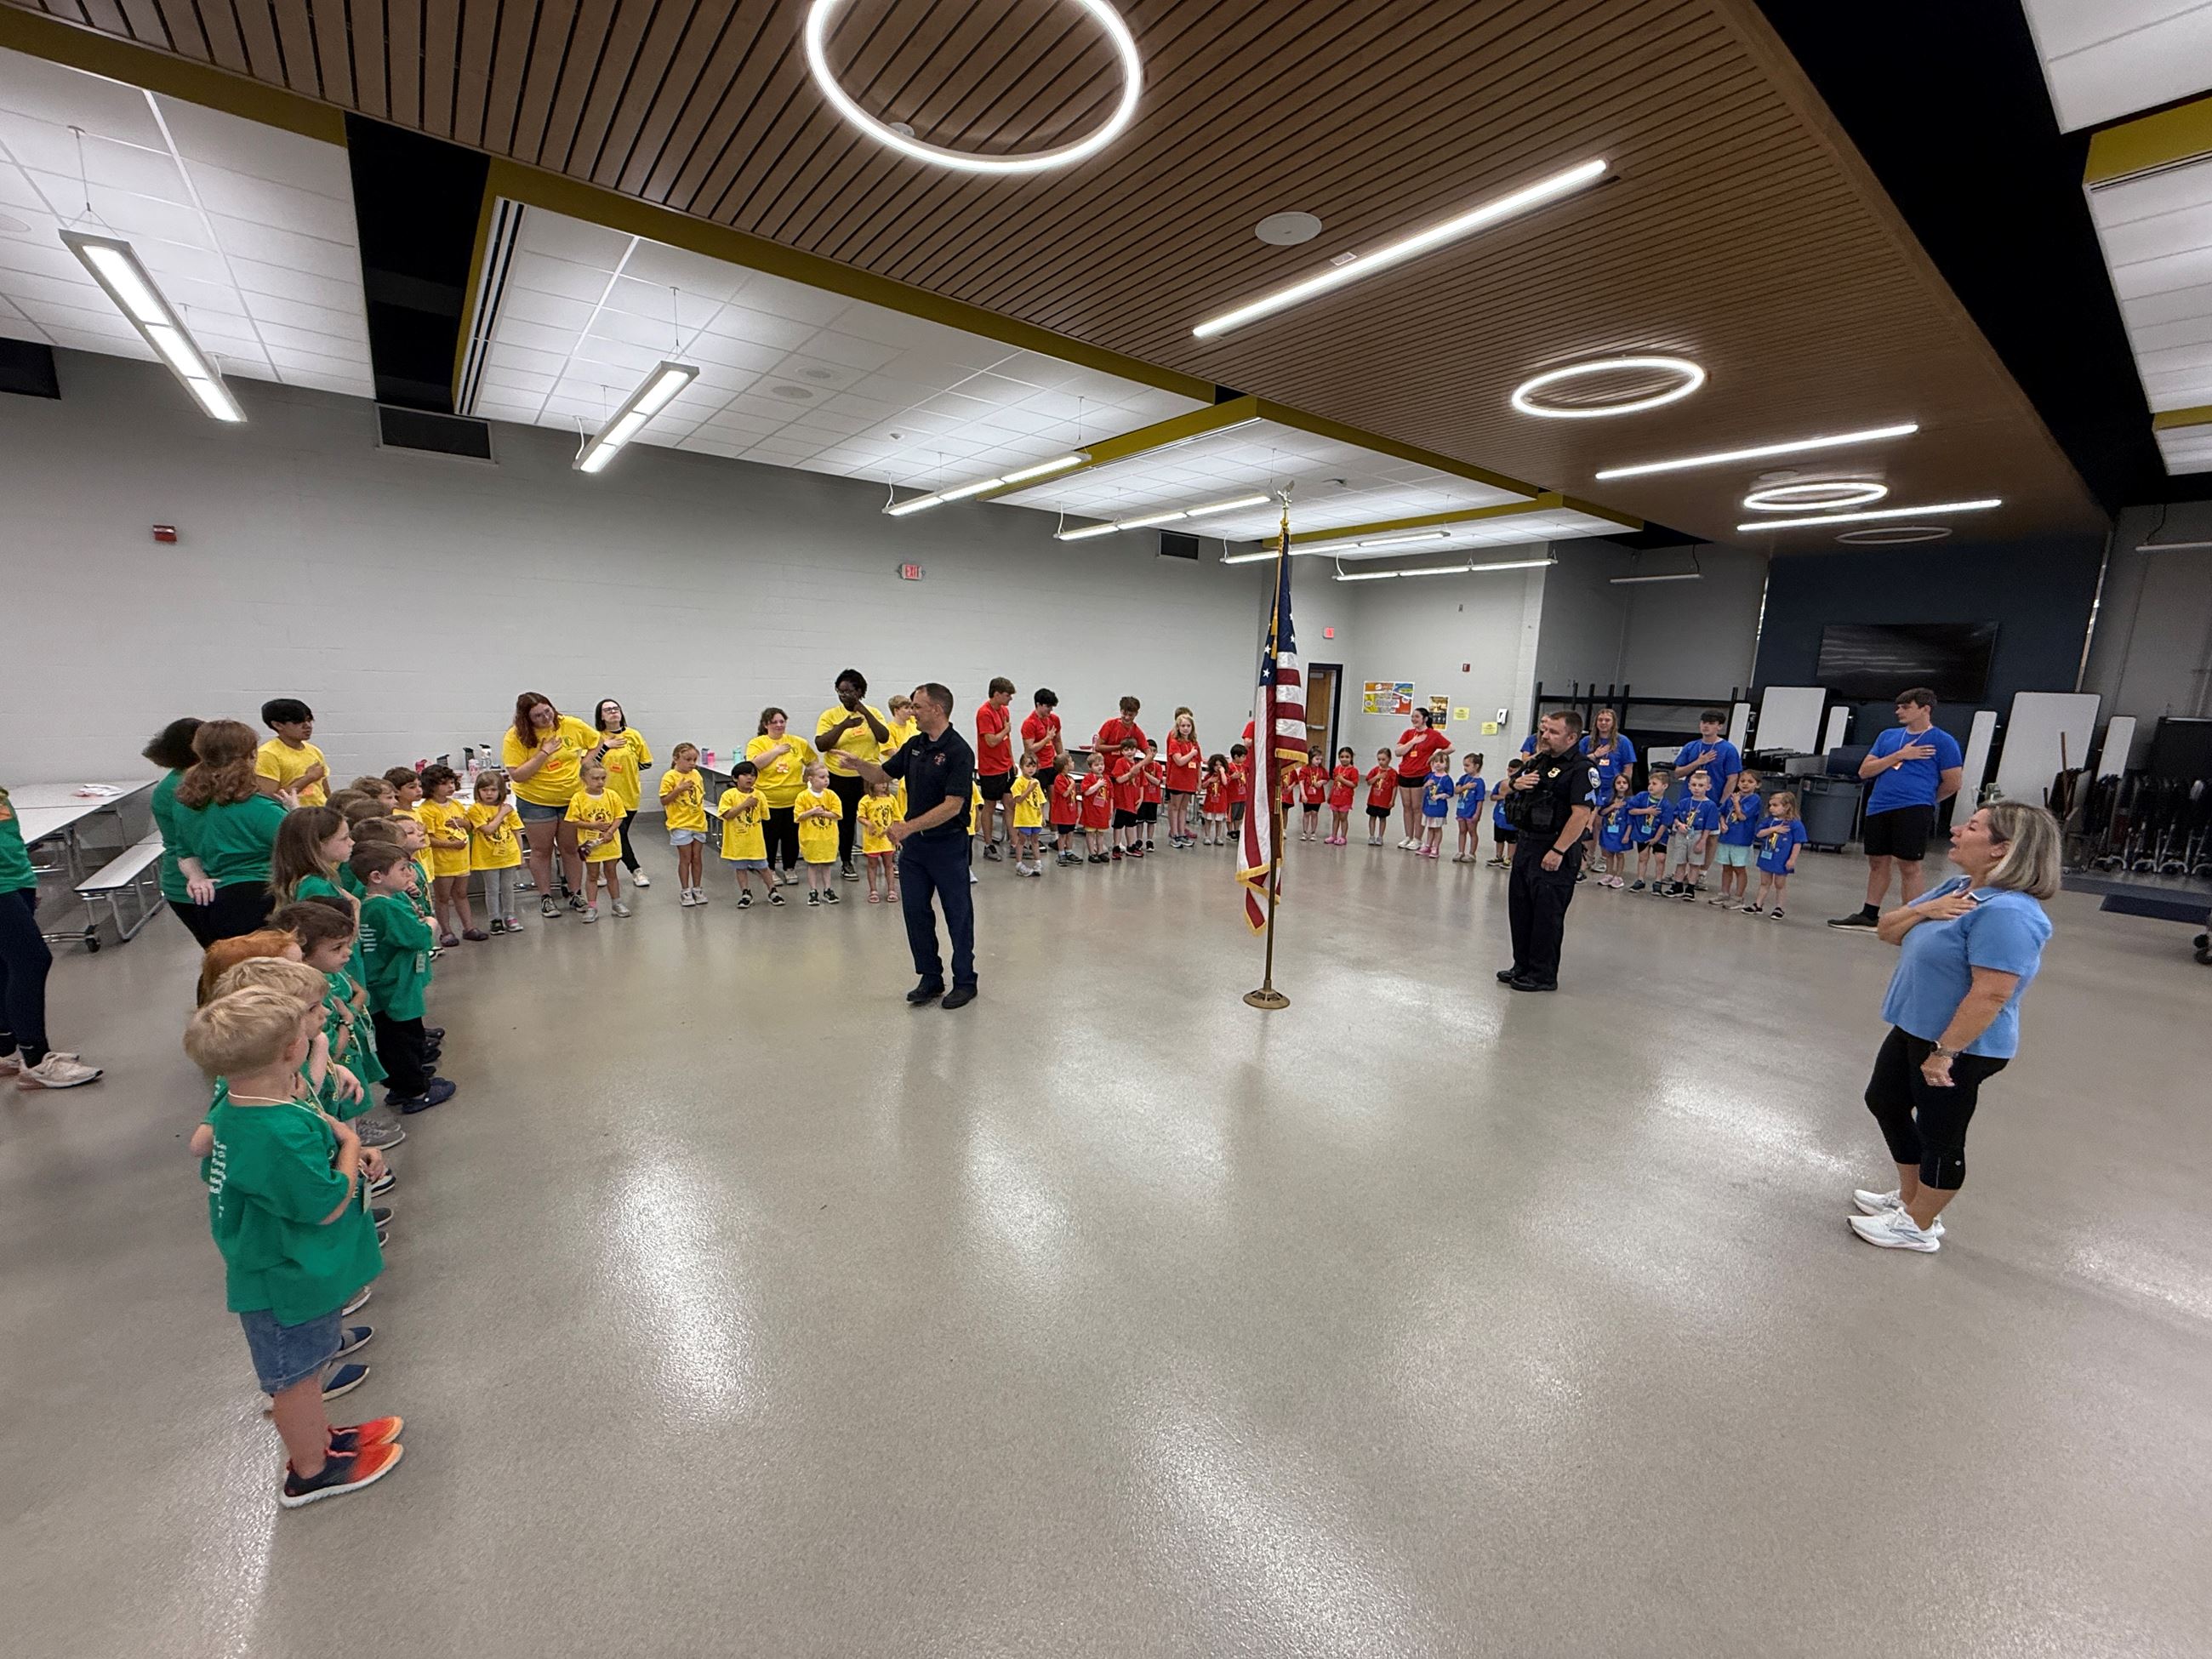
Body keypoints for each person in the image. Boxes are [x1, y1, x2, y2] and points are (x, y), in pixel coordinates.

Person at [183, 983, 403, 1507]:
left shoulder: (245, 1107)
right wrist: (351, 1146)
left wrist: (341, 1146)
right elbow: (325, 1203)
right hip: (281, 1276)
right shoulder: (273, 1128)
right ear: (291, 1049)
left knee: (310, 1364)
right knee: (297, 1380)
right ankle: (310, 1470)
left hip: (286, 1266)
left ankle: (322, 1440)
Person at [1850, 801, 2060, 1251]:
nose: (1958, 830)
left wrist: (1945, 1053)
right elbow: (1887, 928)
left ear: (2002, 850)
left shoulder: (2009, 913)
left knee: (1940, 1133)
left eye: (1973, 827)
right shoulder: (1958, 889)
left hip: (1959, 1046)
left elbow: (1992, 993)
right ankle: (1910, 1199)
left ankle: (1921, 1225)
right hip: (1914, 1025)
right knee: (1884, 1101)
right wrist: (1929, 909)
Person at [834, 684, 978, 1007]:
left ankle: (965, 980)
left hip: (948, 845)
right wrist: (859, 765)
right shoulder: (915, 746)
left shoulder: (959, 751)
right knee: (915, 912)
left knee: (958, 914)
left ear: (936, 710)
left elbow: (954, 805)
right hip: (915, 850)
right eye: (911, 707)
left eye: (917, 706)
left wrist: (908, 827)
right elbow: (882, 773)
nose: (912, 711)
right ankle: (930, 977)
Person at [1831, 687, 1968, 931]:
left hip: (1914, 807)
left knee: (1909, 864)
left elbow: (1953, 782)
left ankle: (1913, 916)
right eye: (1899, 707)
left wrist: (1926, 800)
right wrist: (1900, 755)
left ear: (1925, 709)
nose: (1899, 712)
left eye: (1906, 707)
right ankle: (1869, 913)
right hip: (1880, 805)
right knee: (1877, 861)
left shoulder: (1943, 741)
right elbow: (1865, 771)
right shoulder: (1888, 737)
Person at [0, 784, 99, 1090]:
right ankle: (37, 1061)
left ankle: (4, 1050)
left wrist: (25, 881)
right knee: (32, 961)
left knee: (6, 963)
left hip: (14, 878)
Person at [1497, 712, 1599, 993]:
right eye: (1545, 731)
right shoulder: (1538, 762)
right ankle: (1522, 965)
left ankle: (1542, 974)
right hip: (1527, 844)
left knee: (1546, 915)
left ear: (1571, 737)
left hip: (1555, 846)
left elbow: (1580, 815)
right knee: (1521, 909)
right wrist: (1517, 784)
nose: (1545, 736)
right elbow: (1504, 786)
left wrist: (1558, 850)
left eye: (1554, 732)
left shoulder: (1581, 769)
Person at [351, 843, 452, 1113]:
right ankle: (416, 1090)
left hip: (380, 983)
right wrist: (430, 924)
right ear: (377, 877)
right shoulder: (386, 908)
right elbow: (417, 937)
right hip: (396, 984)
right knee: (405, 1039)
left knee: (390, 1039)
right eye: (403, 869)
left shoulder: (369, 904)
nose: (410, 873)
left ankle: (402, 1084)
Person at [177, 719, 294, 942]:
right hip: (263, 897)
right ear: (251, 756)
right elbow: (301, 846)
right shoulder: (260, 808)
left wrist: (196, 876)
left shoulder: (187, 805)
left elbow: (183, 851)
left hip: (213, 898)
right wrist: (295, 812)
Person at [499, 693, 602, 920]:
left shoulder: (570, 724)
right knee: (541, 850)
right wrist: (544, 753)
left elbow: (597, 742)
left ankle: (575, 893)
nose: (546, 718)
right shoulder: (515, 737)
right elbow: (517, 775)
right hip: (536, 800)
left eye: (548, 711)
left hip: (571, 799)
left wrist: (585, 764)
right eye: (538, 716)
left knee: (571, 848)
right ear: (526, 719)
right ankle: (546, 897)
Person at [145, 717, 220, 945]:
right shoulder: (179, 787)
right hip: (191, 882)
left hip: (201, 878)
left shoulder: (196, 780)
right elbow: (195, 839)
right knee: (221, 956)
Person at [816, 670, 890, 881]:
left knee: (877, 815)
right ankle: (847, 861)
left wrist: (865, 713)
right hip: (841, 776)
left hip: (869, 775)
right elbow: (822, 744)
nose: (843, 695)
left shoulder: (873, 712)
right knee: (846, 820)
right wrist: (843, 725)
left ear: (859, 691)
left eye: (848, 691)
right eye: (840, 691)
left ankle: (883, 856)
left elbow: (884, 737)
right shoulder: (830, 715)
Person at [744, 709, 817, 883]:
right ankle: (769, 869)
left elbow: (813, 761)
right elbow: (754, 765)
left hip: (794, 800)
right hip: (769, 801)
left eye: (782, 721)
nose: (779, 725)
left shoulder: (797, 742)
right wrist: (776, 752)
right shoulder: (757, 743)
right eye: (774, 722)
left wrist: (809, 774)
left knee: (791, 837)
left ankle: (789, 868)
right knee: (770, 837)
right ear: (765, 725)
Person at [417, 766, 482, 945]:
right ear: (432, 786)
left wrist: (464, 823)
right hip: (443, 861)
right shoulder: (426, 810)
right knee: (443, 896)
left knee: (461, 894)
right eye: (444, 784)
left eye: (452, 782)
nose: (450, 787)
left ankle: (469, 927)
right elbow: (429, 838)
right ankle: (446, 931)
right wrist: (450, 845)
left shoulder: (456, 804)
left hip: (461, 859)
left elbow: (468, 825)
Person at [593, 698, 654, 889]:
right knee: (618, 833)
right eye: (607, 710)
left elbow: (646, 762)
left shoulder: (633, 735)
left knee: (618, 834)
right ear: (601, 716)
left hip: (629, 794)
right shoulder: (597, 737)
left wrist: (627, 767)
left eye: (615, 708)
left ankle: (603, 869)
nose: (613, 712)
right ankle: (636, 870)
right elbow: (588, 764)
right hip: (605, 796)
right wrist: (606, 747)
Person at [565, 761, 627, 921]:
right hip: (590, 845)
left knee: (611, 872)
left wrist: (610, 832)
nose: (600, 782)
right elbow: (572, 820)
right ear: (584, 778)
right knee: (592, 875)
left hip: (610, 843)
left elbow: (619, 816)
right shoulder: (578, 798)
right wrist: (592, 825)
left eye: (603, 778)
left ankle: (617, 903)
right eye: (595, 778)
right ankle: (592, 906)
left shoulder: (612, 795)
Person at [466, 771, 524, 932]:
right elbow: (488, 829)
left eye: (493, 790)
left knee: (508, 887)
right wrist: (502, 813)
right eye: (484, 790)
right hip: (488, 857)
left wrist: (520, 854)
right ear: (478, 791)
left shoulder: (507, 808)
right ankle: (494, 918)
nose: (489, 794)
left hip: (509, 855)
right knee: (492, 889)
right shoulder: (475, 810)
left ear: (500, 791)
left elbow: (516, 831)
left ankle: (510, 915)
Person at [715, 761, 776, 908]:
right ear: (735, 778)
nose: (750, 778)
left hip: (755, 840)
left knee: (763, 866)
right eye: (745, 775)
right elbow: (727, 815)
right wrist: (744, 805)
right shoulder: (729, 795)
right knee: (740, 867)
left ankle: (772, 890)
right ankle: (746, 892)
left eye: (753, 775)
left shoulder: (759, 795)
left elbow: (764, 816)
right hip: (737, 841)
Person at [658, 744, 710, 908]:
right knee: (685, 858)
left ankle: (697, 888)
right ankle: (685, 890)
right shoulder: (670, 777)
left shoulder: (696, 774)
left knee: (697, 858)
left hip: (698, 822)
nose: (692, 763)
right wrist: (678, 790)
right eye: (687, 760)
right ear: (676, 759)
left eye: (694, 760)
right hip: (680, 824)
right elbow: (664, 800)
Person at [1393, 710, 1451, 847]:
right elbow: (1398, 752)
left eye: (1417, 717)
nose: (1414, 719)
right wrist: (1413, 741)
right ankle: (1408, 836)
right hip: (1404, 773)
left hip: (1420, 775)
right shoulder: (1408, 734)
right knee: (1406, 807)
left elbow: (1450, 747)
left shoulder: (1433, 735)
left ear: (1425, 719)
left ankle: (1418, 839)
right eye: (1413, 717)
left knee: (1417, 807)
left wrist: (1435, 756)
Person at [255, 698, 329, 807]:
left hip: (320, 813)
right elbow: (271, 799)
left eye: (309, 720)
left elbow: (324, 788)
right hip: (293, 818)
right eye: (298, 722)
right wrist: (308, 778)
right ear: (277, 725)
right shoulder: (268, 754)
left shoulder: (314, 751)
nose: (307, 726)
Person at [974, 676, 1018, 860]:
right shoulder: (984, 713)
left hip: (1006, 766)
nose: (1010, 699)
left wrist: (1012, 760)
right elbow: (991, 741)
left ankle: (1015, 842)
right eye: (1007, 695)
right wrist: (1005, 731)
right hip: (991, 768)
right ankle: (989, 844)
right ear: (997, 694)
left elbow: (1007, 741)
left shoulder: (1004, 711)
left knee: (1010, 803)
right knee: (990, 806)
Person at [1747, 791, 1809, 918]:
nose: (1771, 808)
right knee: (1764, 882)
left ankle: (1779, 907)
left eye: (1775, 805)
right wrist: (1773, 829)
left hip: (1782, 859)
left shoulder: (1795, 824)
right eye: (1770, 805)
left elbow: (1798, 843)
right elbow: (1759, 834)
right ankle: (1758, 904)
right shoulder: (1769, 821)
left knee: (1780, 884)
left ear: (1786, 807)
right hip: (1767, 855)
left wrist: (1792, 859)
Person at [1708, 768, 1763, 909]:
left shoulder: (1754, 799)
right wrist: (1722, 823)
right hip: (1727, 838)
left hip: (1741, 840)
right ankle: (1724, 892)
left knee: (1739, 868)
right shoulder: (1732, 797)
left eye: (1750, 782)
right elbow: (1722, 813)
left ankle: (1738, 897)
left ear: (1757, 785)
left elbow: (1742, 816)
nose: (1745, 784)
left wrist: (1737, 803)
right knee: (1726, 867)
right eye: (1742, 781)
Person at [1661, 771, 1719, 900]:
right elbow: (1675, 816)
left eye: (1700, 785)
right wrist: (1679, 824)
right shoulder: (1684, 802)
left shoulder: (1710, 805)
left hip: (1698, 835)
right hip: (1682, 834)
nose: (1697, 788)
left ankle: (1691, 888)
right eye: (1694, 785)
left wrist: (1703, 841)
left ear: (1708, 787)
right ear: (1689, 786)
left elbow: (1709, 826)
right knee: (1680, 861)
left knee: (1695, 864)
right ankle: (1677, 886)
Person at [793, 761, 844, 907]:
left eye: (827, 777)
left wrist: (825, 813)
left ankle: (828, 889)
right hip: (811, 837)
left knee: (827, 864)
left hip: (828, 837)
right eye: (821, 777)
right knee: (813, 865)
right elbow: (798, 816)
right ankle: (813, 890)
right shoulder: (802, 796)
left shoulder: (831, 795)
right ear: (811, 779)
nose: (826, 780)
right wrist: (812, 812)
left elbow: (837, 814)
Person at [1670, 710, 1742, 812]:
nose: (1706, 726)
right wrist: (1698, 762)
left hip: (1713, 801)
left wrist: (1722, 803)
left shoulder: (1728, 749)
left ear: (1719, 727)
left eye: (1711, 723)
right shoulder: (1690, 746)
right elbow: (1677, 774)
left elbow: (1732, 779)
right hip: (1687, 800)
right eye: (1704, 722)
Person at [1625, 767, 1670, 890]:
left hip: (1659, 834)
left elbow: (1665, 823)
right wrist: (1646, 811)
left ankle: (1658, 881)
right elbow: (1631, 810)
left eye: (1654, 784)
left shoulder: (1666, 804)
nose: (1650, 786)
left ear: (1664, 786)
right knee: (1643, 857)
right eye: (1650, 784)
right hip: (1642, 833)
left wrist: (1656, 838)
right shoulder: (1641, 796)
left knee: (1660, 858)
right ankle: (1640, 879)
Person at [858, 777, 903, 899]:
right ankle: (873, 890)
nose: (884, 785)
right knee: (872, 864)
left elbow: (897, 818)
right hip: (872, 840)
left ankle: (891, 890)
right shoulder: (866, 800)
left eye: (885, 782)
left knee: (889, 864)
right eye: (880, 782)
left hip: (887, 839)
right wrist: (869, 824)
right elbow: (860, 816)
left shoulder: (891, 799)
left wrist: (897, 837)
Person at [1166, 710, 1203, 848]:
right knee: (1175, 807)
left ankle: (1182, 832)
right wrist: (1192, 753)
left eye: (1188, 726)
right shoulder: (1175, 742)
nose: (1186, 728)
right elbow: (1179, 761)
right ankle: (1174, 833)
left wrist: (1199, 782)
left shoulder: (1194, 743)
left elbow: (1198, 764)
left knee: (1183, 808)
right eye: (1183, 726)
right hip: (1177, 780)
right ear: (1178, 727)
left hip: (1189, 780)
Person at [1007, 755, 1046, 878]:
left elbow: (1040, 800)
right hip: (1024, 816)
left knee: (1035, 840)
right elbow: (1018, 800)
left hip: (1035, 817)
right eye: (1028, 766)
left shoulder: (1036, 782)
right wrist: (1029, 789)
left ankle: (1038, 863)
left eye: (1033, 766)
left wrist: (1042, 816)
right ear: (1022, 767)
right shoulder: (1018, 782)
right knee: (1022, 840)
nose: (1031, 769)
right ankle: (1019, 864)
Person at [1593, 775, 1633, 887]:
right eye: (1618, 782)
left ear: (1628, 785)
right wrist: (1613, 806)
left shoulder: (1630, 801)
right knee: (1608, 854)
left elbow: (1631, 820)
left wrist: (1627, 835)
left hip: (1621, 832)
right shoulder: (1609, 798)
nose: (1621, 785)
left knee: (1620, 854)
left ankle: (1618, 876)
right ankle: (1608, 874)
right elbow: (1602, 812)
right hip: (1608, 830)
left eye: (1624, 783)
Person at [1021, 689, 1063, 797]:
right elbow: (1029, 749)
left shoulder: (1054, 719)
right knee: (1038, 801)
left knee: (1054, 800)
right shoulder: (1029, 723)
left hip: (1052, 764)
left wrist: (1062, 760)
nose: (1050, 710)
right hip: (1038, 767)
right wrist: (1047, 738)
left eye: (1052, 707)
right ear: (1038, 705)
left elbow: (1057, 740)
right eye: (1048, 706)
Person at [1452, 752, 1488, 863]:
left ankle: (1472, 853)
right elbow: (1456, 790)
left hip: (1471, 812)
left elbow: (1480, 800)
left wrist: (1477, 814)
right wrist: (1465, 787)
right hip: (1461, 810)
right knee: (1462, 831)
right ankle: (1460, 851)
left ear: (1476, 766)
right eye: (1464, 765)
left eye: (1467, 765)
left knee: (1472, 832)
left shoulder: (1479, 782)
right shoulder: (1464, 779)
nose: (1465, 768)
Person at [1487, 757, 1523, 868]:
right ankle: (1499, 856)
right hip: (1500, 817)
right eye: (1509, 770)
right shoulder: (1501, 783)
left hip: (1512, 820)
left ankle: (1510, 858)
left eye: (1513, 771)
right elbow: (1492, 797)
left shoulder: (1522, 786)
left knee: (1512, 840)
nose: (1510, 773)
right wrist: (1502, 796)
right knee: (1499, 838)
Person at [1418, 749, 1453, 858]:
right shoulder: (1430, 776)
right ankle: (1428, 845)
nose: (1438, 764)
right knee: (1430, 827)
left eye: (1441, 762)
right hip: (1428, 806)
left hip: (1439, 808)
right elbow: (1423, 788)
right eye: (1436, 761)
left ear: (1446, 764)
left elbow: (1450, 793)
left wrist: (1439, 796)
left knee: (1437, 828)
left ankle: (1435, 847)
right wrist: (1426, 784)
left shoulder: (1447, 779)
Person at [1080, 749, 1113, 863]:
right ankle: (1092, 853)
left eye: (1102, 764)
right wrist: (1097, 785)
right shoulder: (1088, 778)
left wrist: (1111, 810)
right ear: (1090, 767)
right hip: (1091, 811)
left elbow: (1110, 796)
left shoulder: (1107, 778)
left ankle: (1100, 851)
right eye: (1096, 765)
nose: (1100, 767)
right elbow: (1086, 792)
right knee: (1091, 833)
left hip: (1103, 811)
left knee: (1101, 833)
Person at [1326, 747, 1360, 847]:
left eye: (1347, 757)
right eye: (1342, 757)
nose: (1344, 759)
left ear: (1351, 757)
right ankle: (1333, 835)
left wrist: (1343, 780)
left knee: (1343, 817)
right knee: (1335, 817)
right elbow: (1335, 783)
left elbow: (1354, 784)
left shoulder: (1353, 771)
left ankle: (1343, 837)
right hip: (1335, 797)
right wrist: (1330, 795)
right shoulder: (1337, 769)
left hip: (1345, 798)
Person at [1200, 756, 1230, 847]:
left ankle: (1218, 836)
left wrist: (1222, 772)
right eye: (1216, 765)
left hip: (1220, 803)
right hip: (1210, 802)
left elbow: (1225, 783)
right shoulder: (1209, 776)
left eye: (1220, 765)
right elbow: (1203, 786)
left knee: (1219, 821)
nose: (1218, 767)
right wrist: (1209, 781)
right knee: (1208, 819)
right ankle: (1207, 836)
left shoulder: (1225, 776)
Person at [1227, 744, 1251, 835]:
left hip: (1243, 795)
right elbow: (1225, 779)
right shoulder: (1230, 767)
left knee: (1239, 815)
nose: (1245, 759)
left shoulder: (1244, 767)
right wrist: (1232, 777)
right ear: (1236, 756)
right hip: (1233, 796)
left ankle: (1236, 830)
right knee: (1231, 815)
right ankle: (1230, 831)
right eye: (1243, 756)